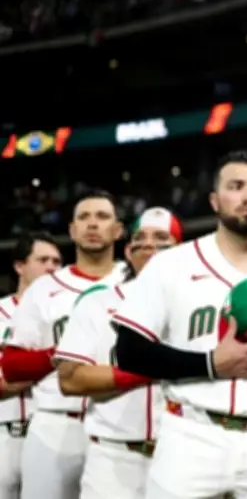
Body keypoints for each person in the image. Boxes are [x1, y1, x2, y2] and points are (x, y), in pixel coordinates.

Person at [111, 150, 247, 499]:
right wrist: (210, 365)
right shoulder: (170, 265)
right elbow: (129, 352)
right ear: (214, 200)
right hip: (191, 432)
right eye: (236, 186)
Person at [2, 190, 126, 499]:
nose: (93, 224)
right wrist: (64, 353)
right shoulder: (44, 289)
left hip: (121, 426)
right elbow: (13, 365)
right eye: (84, 217)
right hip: (57, 425)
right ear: (72, 230)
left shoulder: (137, 281)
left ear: (118, 229)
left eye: (102, 216)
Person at [54, 207, 183, 499]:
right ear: (128, 250)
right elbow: (71, 379)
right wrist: (159, 366)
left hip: (181, 457)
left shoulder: (202, 305)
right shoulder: (96, 303)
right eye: (141, 238)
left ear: (181, 250)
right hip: (113, 459)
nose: (150, 245)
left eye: (162, 237)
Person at [0, 232, 62, 499]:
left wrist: (25, 366)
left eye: (57, 262)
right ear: (19, 266)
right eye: (43, 260)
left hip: (52, 434)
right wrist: (55, 362)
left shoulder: (66, 314)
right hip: (4, 435)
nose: (51, 267)